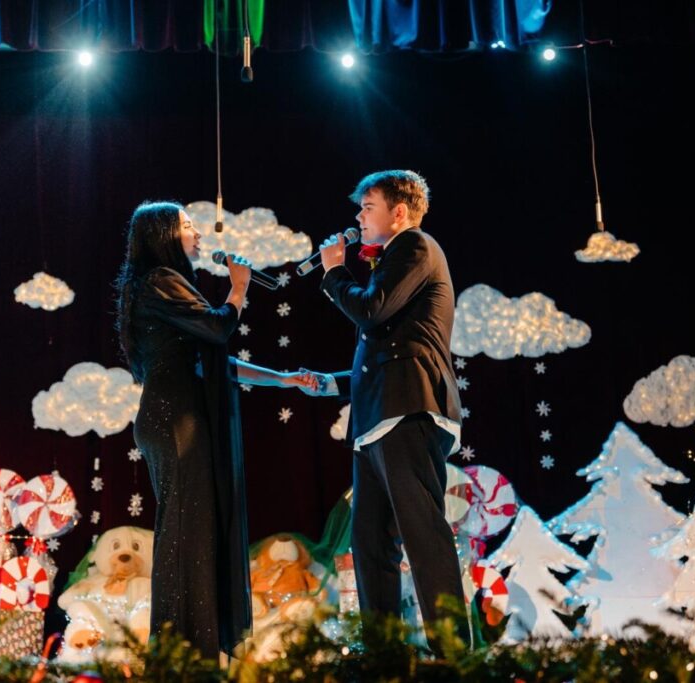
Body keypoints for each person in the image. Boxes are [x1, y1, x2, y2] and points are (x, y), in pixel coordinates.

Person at [114, 201, 316, 659]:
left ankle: (192, 649)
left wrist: (282, 379)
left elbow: (216, 360)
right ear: (164, 236)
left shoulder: (167, 286)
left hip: (179, 417)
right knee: (186, 532)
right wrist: (238, 288)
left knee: (194, 531)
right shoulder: (158, 281)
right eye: (188, 226)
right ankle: (182, 652)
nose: (198, 234)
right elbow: (219, 327)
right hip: (175, 420)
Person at [301, 170, 466, 633]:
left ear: (399, 212)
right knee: (371, 542)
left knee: (422, 532)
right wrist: (331, 384)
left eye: (367, 207)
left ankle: (453, 649)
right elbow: (386, 348)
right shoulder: (393, 258)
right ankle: (383, 651)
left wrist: (334, 271)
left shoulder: (415, 246)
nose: (358, 217)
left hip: (408, 410)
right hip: (378, 417)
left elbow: (371, 311)